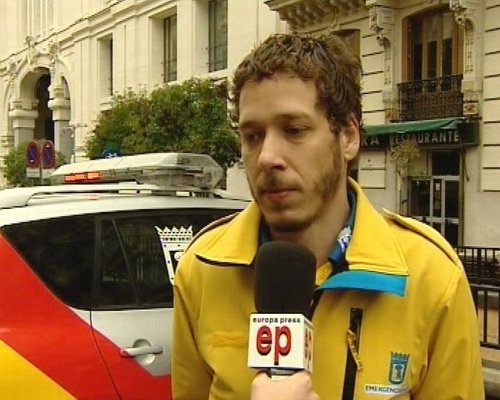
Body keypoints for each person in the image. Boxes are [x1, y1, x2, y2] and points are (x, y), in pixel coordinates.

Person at [172, 32, 484, 399]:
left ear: (348, 136)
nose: (267, 157)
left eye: (295, 130)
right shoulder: (201, 268)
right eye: (252, 136)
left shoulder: (432, 277)